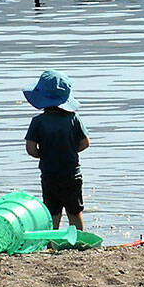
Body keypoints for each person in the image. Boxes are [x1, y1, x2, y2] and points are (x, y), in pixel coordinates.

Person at [23, 69, 90, 230]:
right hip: (72, 174)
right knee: (74, 211)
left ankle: (51, 242)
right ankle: (79, 240)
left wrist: (46, 154)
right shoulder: (74, 118)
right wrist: (69, 151)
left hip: (50, 175)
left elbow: (31, 149)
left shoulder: (38, 122)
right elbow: (85, 143)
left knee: (52, 212)